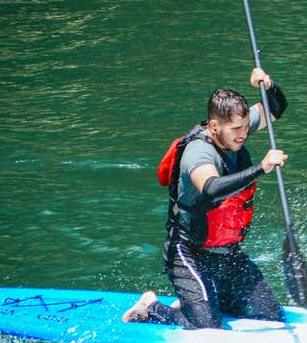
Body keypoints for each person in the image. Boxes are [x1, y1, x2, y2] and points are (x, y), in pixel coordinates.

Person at [122, 68, 288, 328]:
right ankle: (152, 307)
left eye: (246, 127)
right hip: (189, 252)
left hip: (227, 253)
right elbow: (210, 188)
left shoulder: (235, 128)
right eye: (236, 129)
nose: (243, 134)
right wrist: (261, 168)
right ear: (214, 126)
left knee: (270, 316)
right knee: (207, 327)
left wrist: (268, 87)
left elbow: (276, 107)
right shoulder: (197, 152)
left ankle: (198, 300)